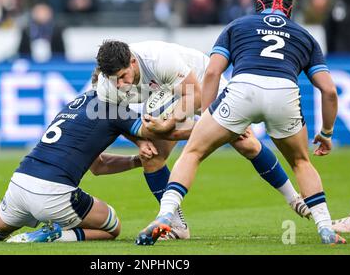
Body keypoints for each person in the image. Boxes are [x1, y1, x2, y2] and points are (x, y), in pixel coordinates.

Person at [135, 0, 346, 246]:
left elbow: (212, 73)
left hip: (243, 89)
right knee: (301, 162)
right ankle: (325, 228)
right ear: (290, 11)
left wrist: (210, 114)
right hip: (284, 93)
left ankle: (166, 213)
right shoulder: (305, 36)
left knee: (193, 152)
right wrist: (326, 133)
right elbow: (329, 91)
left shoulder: (239, 25)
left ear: (257, 6)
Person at [0, 87, 190, 244]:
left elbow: (98, 165)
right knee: (113, 227)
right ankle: (55, 234)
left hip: (21, 181)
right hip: (54, 192)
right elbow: (156, 133)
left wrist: (134, 157)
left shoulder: (79, 101)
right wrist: (202, 126)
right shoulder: (115, 107)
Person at [96, 39, 311, 224]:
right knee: (152, 156)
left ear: (133, 62)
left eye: (124, 76)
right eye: (116, 80)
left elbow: (195, 96)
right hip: (164, 96)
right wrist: (140, 143)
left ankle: (294, 199)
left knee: (246, 143)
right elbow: (118, 120)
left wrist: (178, 125)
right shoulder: (107, 86)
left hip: (201, 84)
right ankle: (177, 226)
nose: (122, 85)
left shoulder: (158, 58)